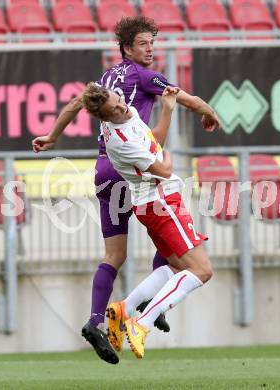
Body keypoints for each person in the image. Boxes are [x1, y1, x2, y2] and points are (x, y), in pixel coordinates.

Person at [32, 16, 220, 365]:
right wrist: (209, 113)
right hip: (133, 169)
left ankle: (96, 319)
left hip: (104, 170)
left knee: (116, 255)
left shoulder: (106, 81)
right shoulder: (143, 77)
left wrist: (52, 135)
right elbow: (182, 98)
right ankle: (150, 307)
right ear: (128, 48)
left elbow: (76, 104)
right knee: (176, 244)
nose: (150, 49)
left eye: (153, 43)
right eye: (144, 44)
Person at [81, 82, 213, 359]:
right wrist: (169, 156)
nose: (120, 107)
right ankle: (143, 322)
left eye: (118, 100)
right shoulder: (119, 140)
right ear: (105, 119)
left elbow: (154, 142)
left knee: (178, 269)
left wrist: (167, 110)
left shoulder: (127, 115)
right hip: (162, 202)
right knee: (202, 271)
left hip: (153, 204)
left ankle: (123, 310)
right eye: (114, 110)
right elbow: (163, 169)